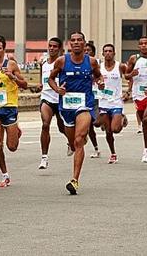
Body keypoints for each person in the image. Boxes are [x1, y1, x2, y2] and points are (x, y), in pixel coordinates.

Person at [48, 31, 104, 194]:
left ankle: (75, 180)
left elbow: (99, 77)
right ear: (69, 44)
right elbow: (51, 79)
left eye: (79, 40)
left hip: (84, 105)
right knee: (73, 142)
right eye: (73, 40)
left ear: (84, 43)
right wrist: (57, 89)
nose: (76, 42)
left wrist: (100, 83)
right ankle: (76, 140)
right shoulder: (61, 61)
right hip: (66, 108)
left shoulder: (91, 62)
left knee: (79, 140)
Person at [0, 36, 27, 188]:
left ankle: (16, 130)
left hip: (10, 107)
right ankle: (5, 174)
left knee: (12, 147)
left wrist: (12, 76)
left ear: (4, 50)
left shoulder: (10, 64)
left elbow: (24, 84)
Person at [125, 36, 147, 163]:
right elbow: (126, 75)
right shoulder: (134, 58)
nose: (143, 45)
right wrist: (131, 74)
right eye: (141, 44)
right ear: (138, 46)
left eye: (146, 43)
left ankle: (145, 150)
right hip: (138, 94)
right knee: (145, 123)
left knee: (146, 119)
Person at [37, 37, 66, 169]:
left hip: (60, 99)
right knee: (45, 124)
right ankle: (44, 157)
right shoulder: (44, 63)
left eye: (55, 46)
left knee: (62, 128)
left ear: (59, 49)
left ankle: (71, 142)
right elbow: (42, 81)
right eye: (50, 46)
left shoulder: (63, 63)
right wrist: (39, 85)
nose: (52, 48)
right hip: (47, 98)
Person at [98, 44, 127, 164]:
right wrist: (98, 84)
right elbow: (93, 80)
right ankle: (113, 153)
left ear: (114, 53)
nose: (108, 53)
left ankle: (122, 118)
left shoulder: (120, 66)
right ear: (103, 53)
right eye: (106, 51)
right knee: (108, 131)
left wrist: (128, 91)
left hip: (116, 102)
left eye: (110, 51)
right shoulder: (98, 67)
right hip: (103, 102)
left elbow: (130, 77)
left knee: (115, 129)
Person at [84, 42, 101, 158]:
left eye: (88, 50)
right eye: (84, 50)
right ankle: (96, 148)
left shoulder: (97, 64)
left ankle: (119, 118)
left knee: (99, 123)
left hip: (100, 98)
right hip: (87, 97)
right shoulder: (80, 64)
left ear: (93, 53)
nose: (86, 52)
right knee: (89, 125)